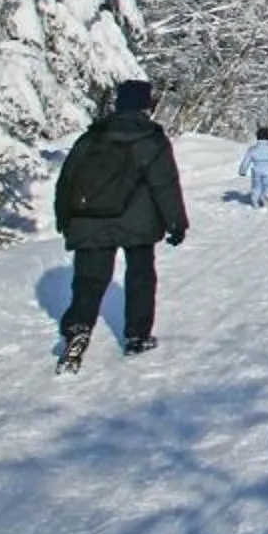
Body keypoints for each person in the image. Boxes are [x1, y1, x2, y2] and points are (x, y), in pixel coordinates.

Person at [53, 78, 189, 369]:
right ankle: (137, 336)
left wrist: (63, 217)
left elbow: (67, 179)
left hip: (90, 220)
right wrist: (176, 222)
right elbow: (164, 184)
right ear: (146, 105)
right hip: (138, 223)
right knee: (140, 278)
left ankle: (78, 329)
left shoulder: (92, 136)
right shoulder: (151, 138)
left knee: (89, 281)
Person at [238, 123, 268, 208]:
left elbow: (246, 161)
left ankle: (255, 202)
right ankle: (266, 196)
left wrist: (242, 171)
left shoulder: (252, 149)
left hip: (256, 170)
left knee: (257, 186)